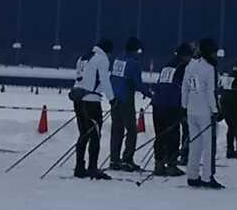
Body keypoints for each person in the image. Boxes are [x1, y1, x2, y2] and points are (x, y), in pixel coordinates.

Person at [182, 38, 222, 188]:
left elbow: (185, 88)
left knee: (195, 145)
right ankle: (207, 177)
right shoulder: (210, 69)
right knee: (208, 146)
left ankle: (192, 176)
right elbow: (211, 92)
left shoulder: (191, 66)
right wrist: (215, 110)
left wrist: (184, 106)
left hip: (191, 110)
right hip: (205, 112)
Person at [71, 39, 114, 180]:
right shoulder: (102, 59)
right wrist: (112, 98)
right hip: (92, 101)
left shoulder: (83, 57)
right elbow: (104, 80)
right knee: (95, 135)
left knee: (83, 134)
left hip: (78, 98)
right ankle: (93, 168)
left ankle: (79, 167)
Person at [152, 44, 191, 177]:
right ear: (185, 56)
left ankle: (158, 164)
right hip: (172, 105)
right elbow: (184, 88)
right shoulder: (183, 67)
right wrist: (184, 108)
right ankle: (171, 165)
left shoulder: (167, 66)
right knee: (173, 136)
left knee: (160, 135)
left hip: (157, 103)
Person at [109, 38, 144, 172]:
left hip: (114, 98)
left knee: (116, 130)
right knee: (132, 130)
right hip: (126, 99)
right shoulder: (134, 63)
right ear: (135, 50)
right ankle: (127, 160)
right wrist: (150, 94)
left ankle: (114, 160)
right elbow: (138, 83)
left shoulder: (118, 60)